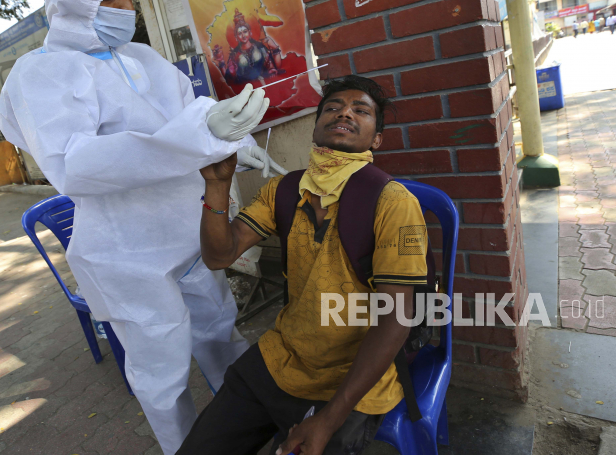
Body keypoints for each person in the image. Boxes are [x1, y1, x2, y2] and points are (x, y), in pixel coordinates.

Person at [0, 0, 287, 454]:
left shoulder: (144, 60)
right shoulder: (42, 74)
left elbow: (187, 116)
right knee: (162, 369)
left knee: (222, 333)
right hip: (125, 253)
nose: (127, 4)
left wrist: (232, 137)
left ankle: (251, 430)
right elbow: (74, 164)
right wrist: (200, 136)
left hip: (192, 228)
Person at [178, 76, 429, 455]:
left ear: (376, 139)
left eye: (361, 110)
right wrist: (216, 186)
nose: (344, 111)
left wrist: (329, 418)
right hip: (282, 357)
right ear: (315, 126)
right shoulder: (283, 190)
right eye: (332, 107)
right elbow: (218, 256)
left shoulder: (393, 202)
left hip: (350, 376)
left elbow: (396, 317)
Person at [213, 8, 284, 89]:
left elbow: (273, 65)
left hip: (266, 85)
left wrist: (274, 48)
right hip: (248, 89)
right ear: (236, 38)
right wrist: (221, 61)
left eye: (245, 31)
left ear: (250, 33)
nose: (243, 36)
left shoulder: (260, 47)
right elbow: (229, 79)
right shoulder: (234, 55)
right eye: (239, 33)